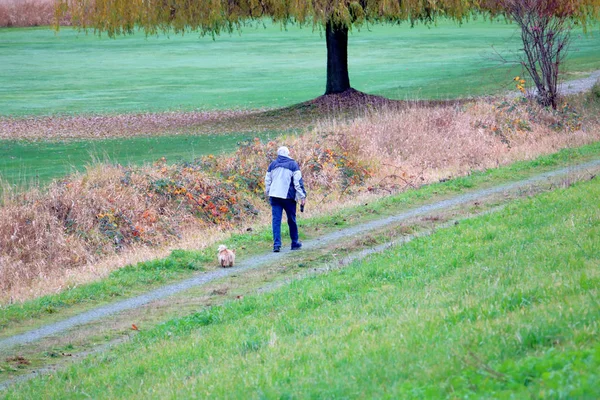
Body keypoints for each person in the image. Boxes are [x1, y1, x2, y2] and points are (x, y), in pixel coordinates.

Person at [264, 146, 307, 252]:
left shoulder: (272, 165)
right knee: (291, 220)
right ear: (288, 153)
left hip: (274, 196)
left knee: (276, 221)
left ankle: (276, 245)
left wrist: (269, 192)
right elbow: (298, 183)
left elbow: (267, 181)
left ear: (278, 154)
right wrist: (302, 196)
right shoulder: (293, 164)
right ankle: (294, 242)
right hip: (288, 197)